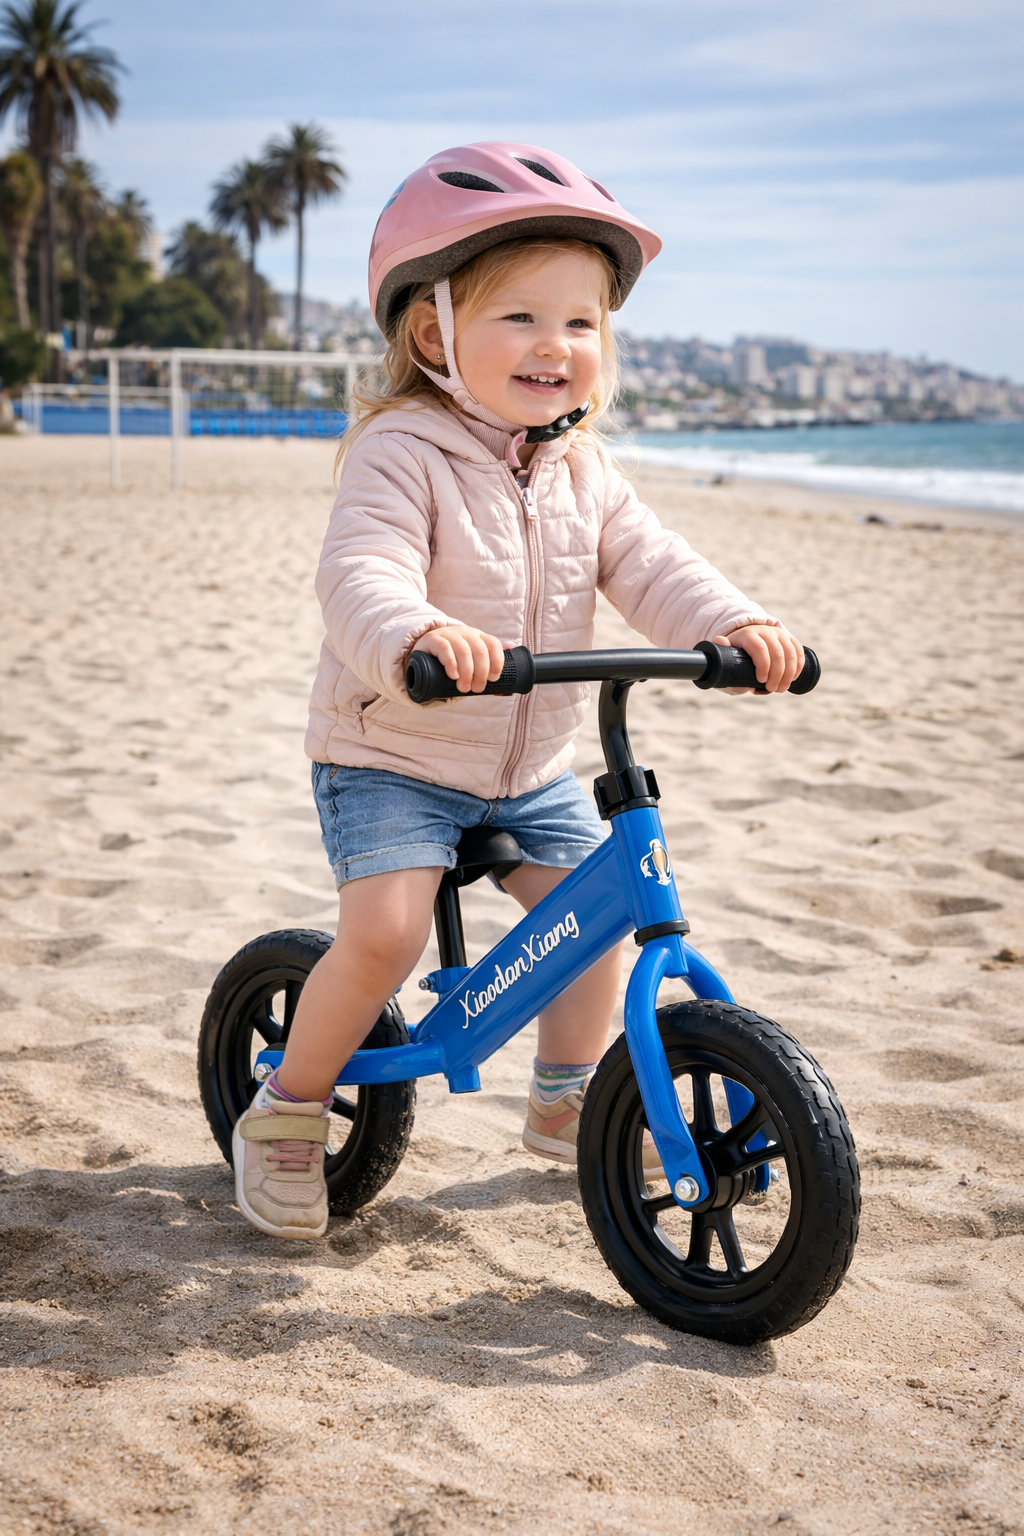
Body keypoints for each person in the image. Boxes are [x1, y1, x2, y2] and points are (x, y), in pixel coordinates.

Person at [233, 142, 805, 1240]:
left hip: (528, 766)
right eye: (520, 319)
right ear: (434, 331)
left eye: (581, 324)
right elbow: (360, 573)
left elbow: (649, 563)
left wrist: (732, 624)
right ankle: (288, 1107)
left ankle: (565, 1095)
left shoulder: (583, 469)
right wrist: (418, 633)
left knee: (594, 919)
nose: (556, 346)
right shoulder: (399, 451)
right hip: (394, 754)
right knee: (387, 934)